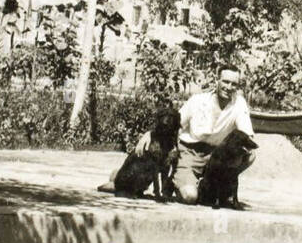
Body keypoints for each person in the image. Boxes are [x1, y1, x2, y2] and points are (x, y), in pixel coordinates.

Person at [100, 64, 257, 204]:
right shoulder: (198, 100)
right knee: (190, 196)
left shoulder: (239, 103)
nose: (229, 87)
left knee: (250, 155)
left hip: (215, 156)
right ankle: (122, 176)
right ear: (217, 80)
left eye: (234, 84)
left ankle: (220, 186)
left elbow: (246, 135)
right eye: (225, 81)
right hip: (190, 152)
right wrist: (149, 133)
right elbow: (174, 123)